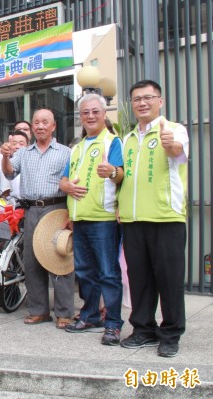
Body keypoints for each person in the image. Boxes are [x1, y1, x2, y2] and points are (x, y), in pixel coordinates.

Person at [118, 80, 189, 358]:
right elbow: (124, 177)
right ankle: (143, 329)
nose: (142, 103)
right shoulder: (128, 139)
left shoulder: (174, 130)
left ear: (160, 101)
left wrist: (170, 144)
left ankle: (171, 334)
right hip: (134, 219)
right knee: (140, 279)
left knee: (169, 279)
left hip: (166, 217)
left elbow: (177, 153)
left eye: (148, 98)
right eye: (137, 99)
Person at [59, 94, 124, 345]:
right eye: (85, 112)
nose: (90, 116)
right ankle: (90, 315)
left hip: (104, 218)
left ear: (104, 113)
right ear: (80, 117)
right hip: (79, 217)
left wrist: (112, 172)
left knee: (108, 273)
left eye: (95, 111)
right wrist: (67, 187)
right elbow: (64, 180)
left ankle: (113, 324)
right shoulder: (76, 148)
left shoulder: (112, 142)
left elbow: (120, 176)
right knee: (86, 272)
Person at [1, 109, 74, 329]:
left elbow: (72, 183)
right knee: (32, 262)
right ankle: (39, 310)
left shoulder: (65, 152)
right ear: (32, 128)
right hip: (31, 210)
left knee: (59, 259)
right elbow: (9, 173)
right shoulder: (24, 153)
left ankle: (64, 312)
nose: (40, 126)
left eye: (45, 122)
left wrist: (72, 214)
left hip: (57, 208)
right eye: (36, 122)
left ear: (53, 126)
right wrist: (5, 156)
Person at [6, 130, 29, 198]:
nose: (17, 147)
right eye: (14, 143)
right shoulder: (3, 162)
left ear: (28, 146)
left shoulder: (32, 164)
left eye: (21, 144)